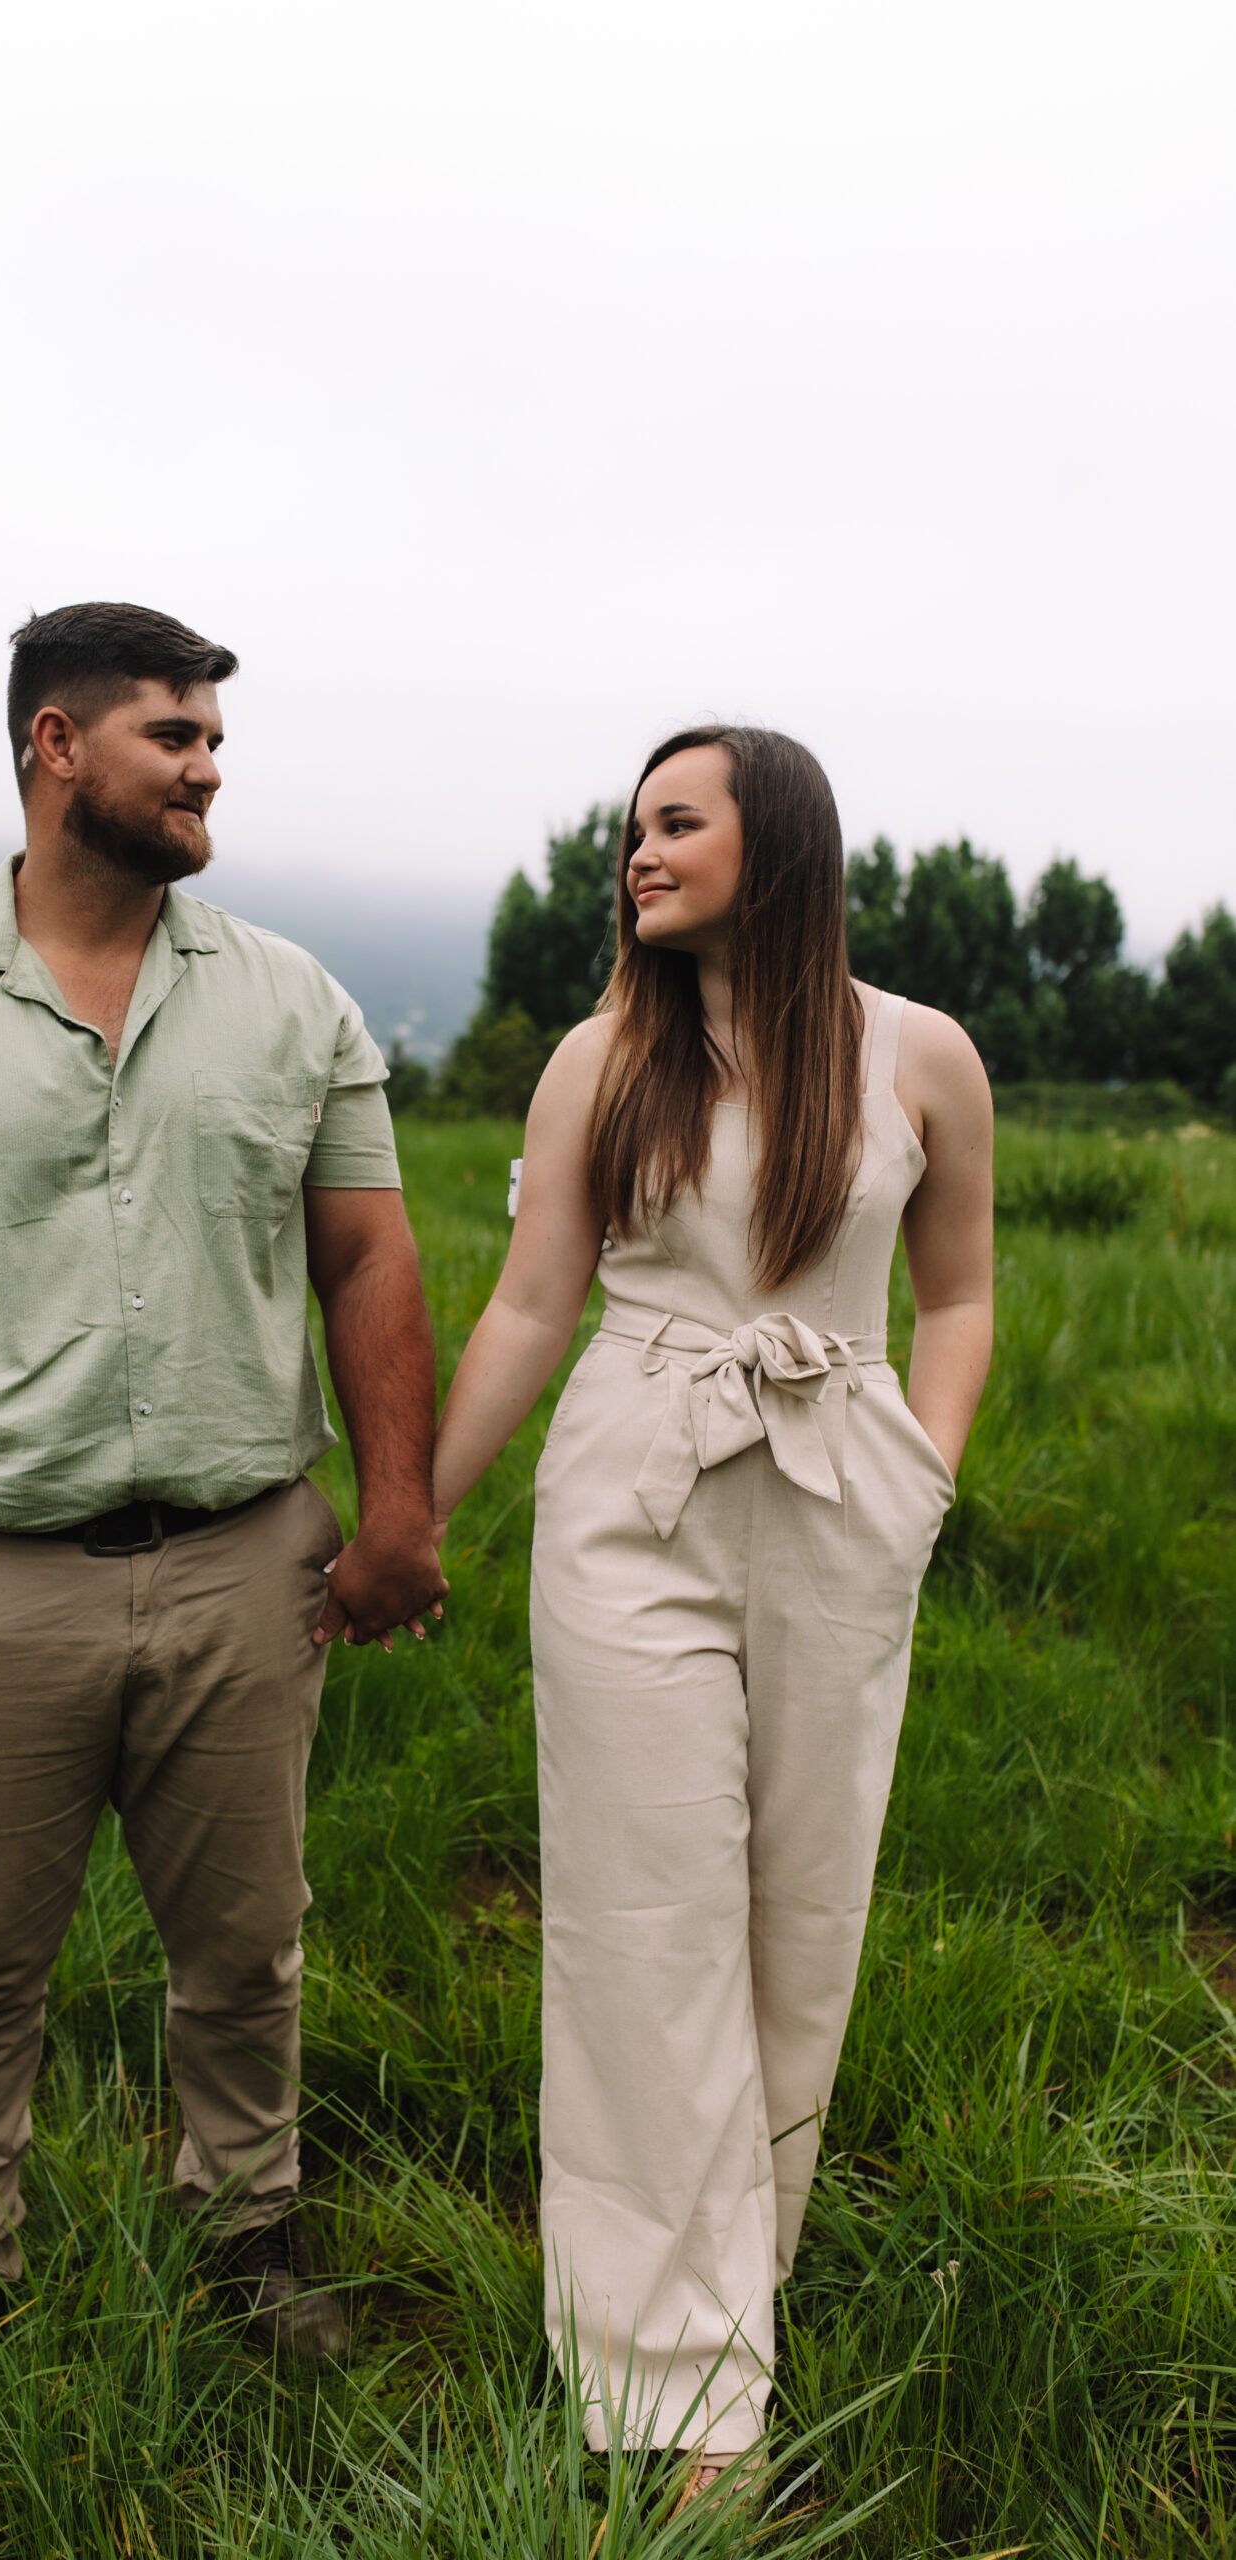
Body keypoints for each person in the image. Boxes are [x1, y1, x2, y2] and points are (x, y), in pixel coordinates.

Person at [0, 601, 447, 2365]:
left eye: (213, 739)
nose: (210, 769)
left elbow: (369, 1259)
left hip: (242, 1563)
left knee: (249, 1946)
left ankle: (246, 2244)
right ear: (57, 747)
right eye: (172, 738)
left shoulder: (292, 997)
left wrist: (401, 1509)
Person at [430, 726, 993, 2491]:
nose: (639, 853)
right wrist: (404, 1517)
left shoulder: (922, 1055)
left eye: (677, 822)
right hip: (635, 1494)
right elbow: (530, 1310)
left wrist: (924, 1479)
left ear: (783, 843)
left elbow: (959, 1293)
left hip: (839, 1491)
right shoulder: (602, 1058)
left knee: (799, 1917)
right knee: (645, 1925)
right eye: (632, 828)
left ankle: (739, 2280)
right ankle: (672, 2395)